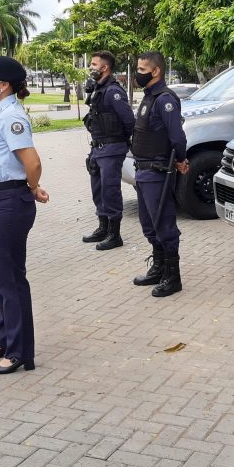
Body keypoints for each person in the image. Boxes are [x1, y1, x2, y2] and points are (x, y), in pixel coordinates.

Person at [0, 56, 50, 374]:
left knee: (11, 278)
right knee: (2, 275)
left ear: (2, 85)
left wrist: (32, 187)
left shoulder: (12, 116)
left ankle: (20, 352)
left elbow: (33, 162)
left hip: (9, 201)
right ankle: (4, 338)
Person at [130, 51, 188, 297]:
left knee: (164, 225)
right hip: (143, 172)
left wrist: (182, 160)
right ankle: (159, 267)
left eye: (142, 70)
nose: (138, 74)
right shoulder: (149, 97)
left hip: (158, 171)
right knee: (148, 224)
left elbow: (177, 136)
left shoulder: (165, 99)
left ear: (156, 71)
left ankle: (172, 277)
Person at [81, 50, 135, 250]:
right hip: (97, 148)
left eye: (94, 64)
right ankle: (102, 227)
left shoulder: (113, 91)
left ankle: (115, 234)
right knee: (98, 190)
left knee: (110, 191)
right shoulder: (98, 88)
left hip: (112, 148)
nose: (91, 68)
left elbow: (129, 121)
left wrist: (124, 142)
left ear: (104, 68)